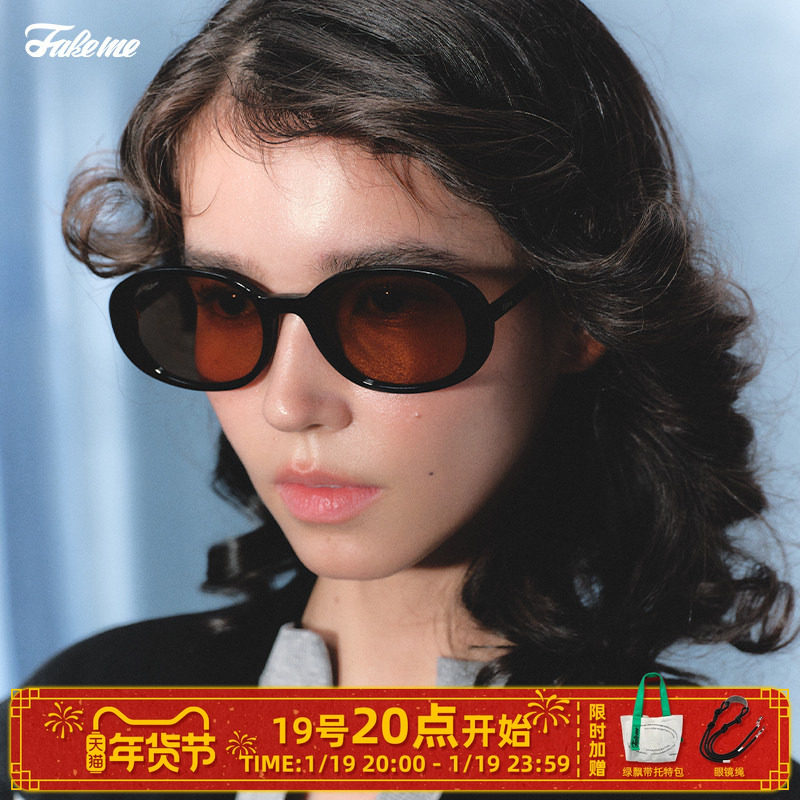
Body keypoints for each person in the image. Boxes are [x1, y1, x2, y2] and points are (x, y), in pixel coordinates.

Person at [2, 0, 797, 797]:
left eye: (387, 304)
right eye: (230, 304)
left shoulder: (702, 775)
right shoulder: (83, 720)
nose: (288, 404)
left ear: (581, 311)